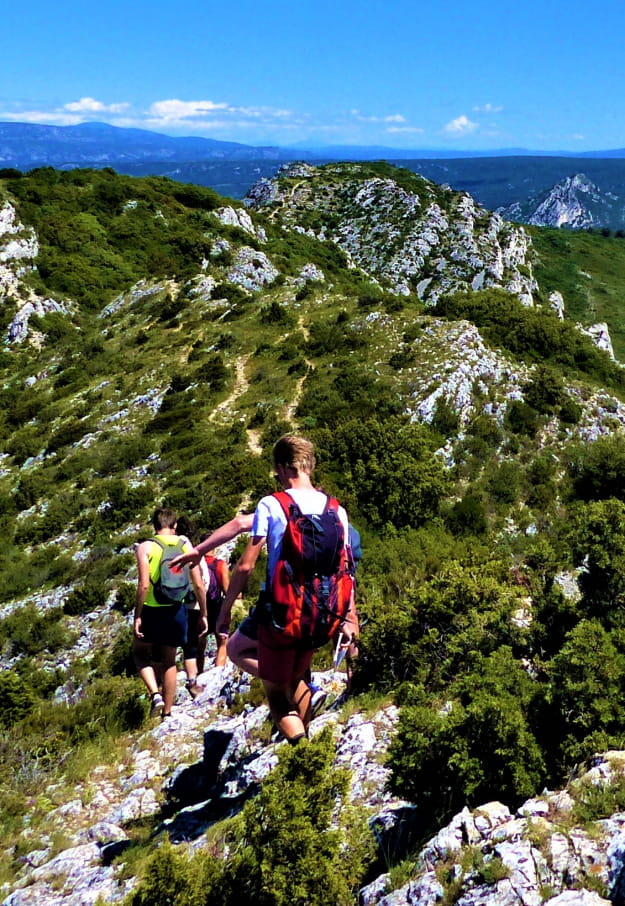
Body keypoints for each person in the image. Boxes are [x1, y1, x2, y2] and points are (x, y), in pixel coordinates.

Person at [216, 434, 358, 744]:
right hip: (321, 614)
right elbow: (346, 571)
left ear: (282, 468)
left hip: (281, 612)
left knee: (270, 684)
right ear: (310, 465)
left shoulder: (272, 504)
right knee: (296, 680)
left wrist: (224, 613)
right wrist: (350, 620)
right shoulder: (337, 510)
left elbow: (245, 565)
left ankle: (302, 751)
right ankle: (304, 752)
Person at [134, 508, 208, 718]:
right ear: (174, 526)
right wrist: (203, 613)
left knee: (140, 654)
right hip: (177, 608)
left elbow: (144, 586)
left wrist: (138, 615)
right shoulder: (185, 545)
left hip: (151, 608)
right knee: (169, 660)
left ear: (154, 525)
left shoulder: (146, 547)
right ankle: (167, 711)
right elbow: (199, 584)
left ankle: (155, 694)